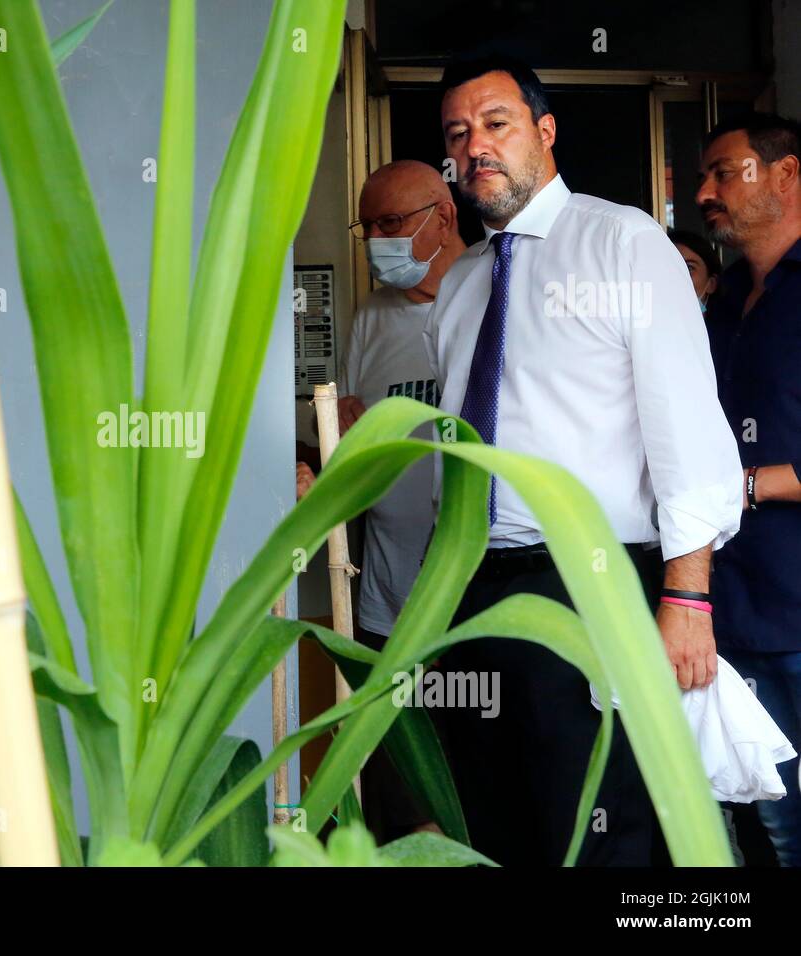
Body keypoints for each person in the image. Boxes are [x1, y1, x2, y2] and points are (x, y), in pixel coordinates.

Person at [423, 54, 742, 866]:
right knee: (496, 823)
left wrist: (688, 599)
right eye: (459, 134)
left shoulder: (622, 242)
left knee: (601, 825)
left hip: (590, 584)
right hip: (473, 589)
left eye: (496, 124)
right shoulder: (461, 283)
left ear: (545, 131)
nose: (476, 147)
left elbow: (685, 432)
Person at [294, 160, 466, 842]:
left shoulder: (491, 295)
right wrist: (334, 433)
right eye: (368, 228)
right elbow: (337, 425)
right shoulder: (372, 317)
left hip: (468, 591)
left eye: (392, 223)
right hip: (388, 597)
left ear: (443, 216)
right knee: (400, 773)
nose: (377, 242)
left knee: (473, 774)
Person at [699, 112, 801, 867]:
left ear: (787, 175)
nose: (705, 193)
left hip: (797, 610)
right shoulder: (724, 298)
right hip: (726, 607)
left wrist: (744, 485)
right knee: (755, 829)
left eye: (723, 172)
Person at [667, 228, 721, 313]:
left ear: (711, 284)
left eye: (689, 268)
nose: (676, 276)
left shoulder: (728, 325)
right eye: (669, 267)